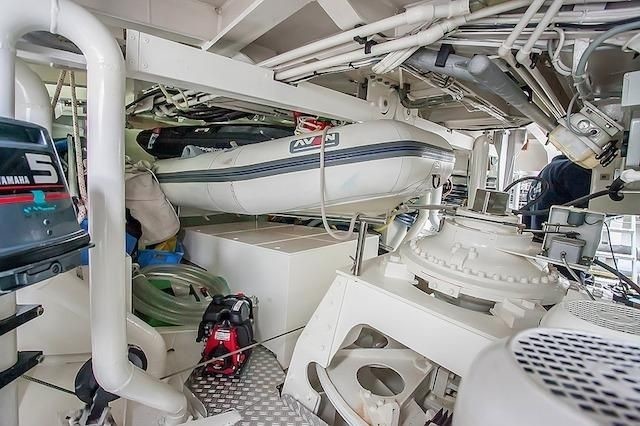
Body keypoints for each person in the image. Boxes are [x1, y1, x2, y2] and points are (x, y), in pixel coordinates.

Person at [524, 154, 592, 230]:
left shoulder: (538, 179)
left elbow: (526, 217)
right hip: (560, 234)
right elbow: (593, 205)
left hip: (540, 233)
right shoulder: (571, 169)